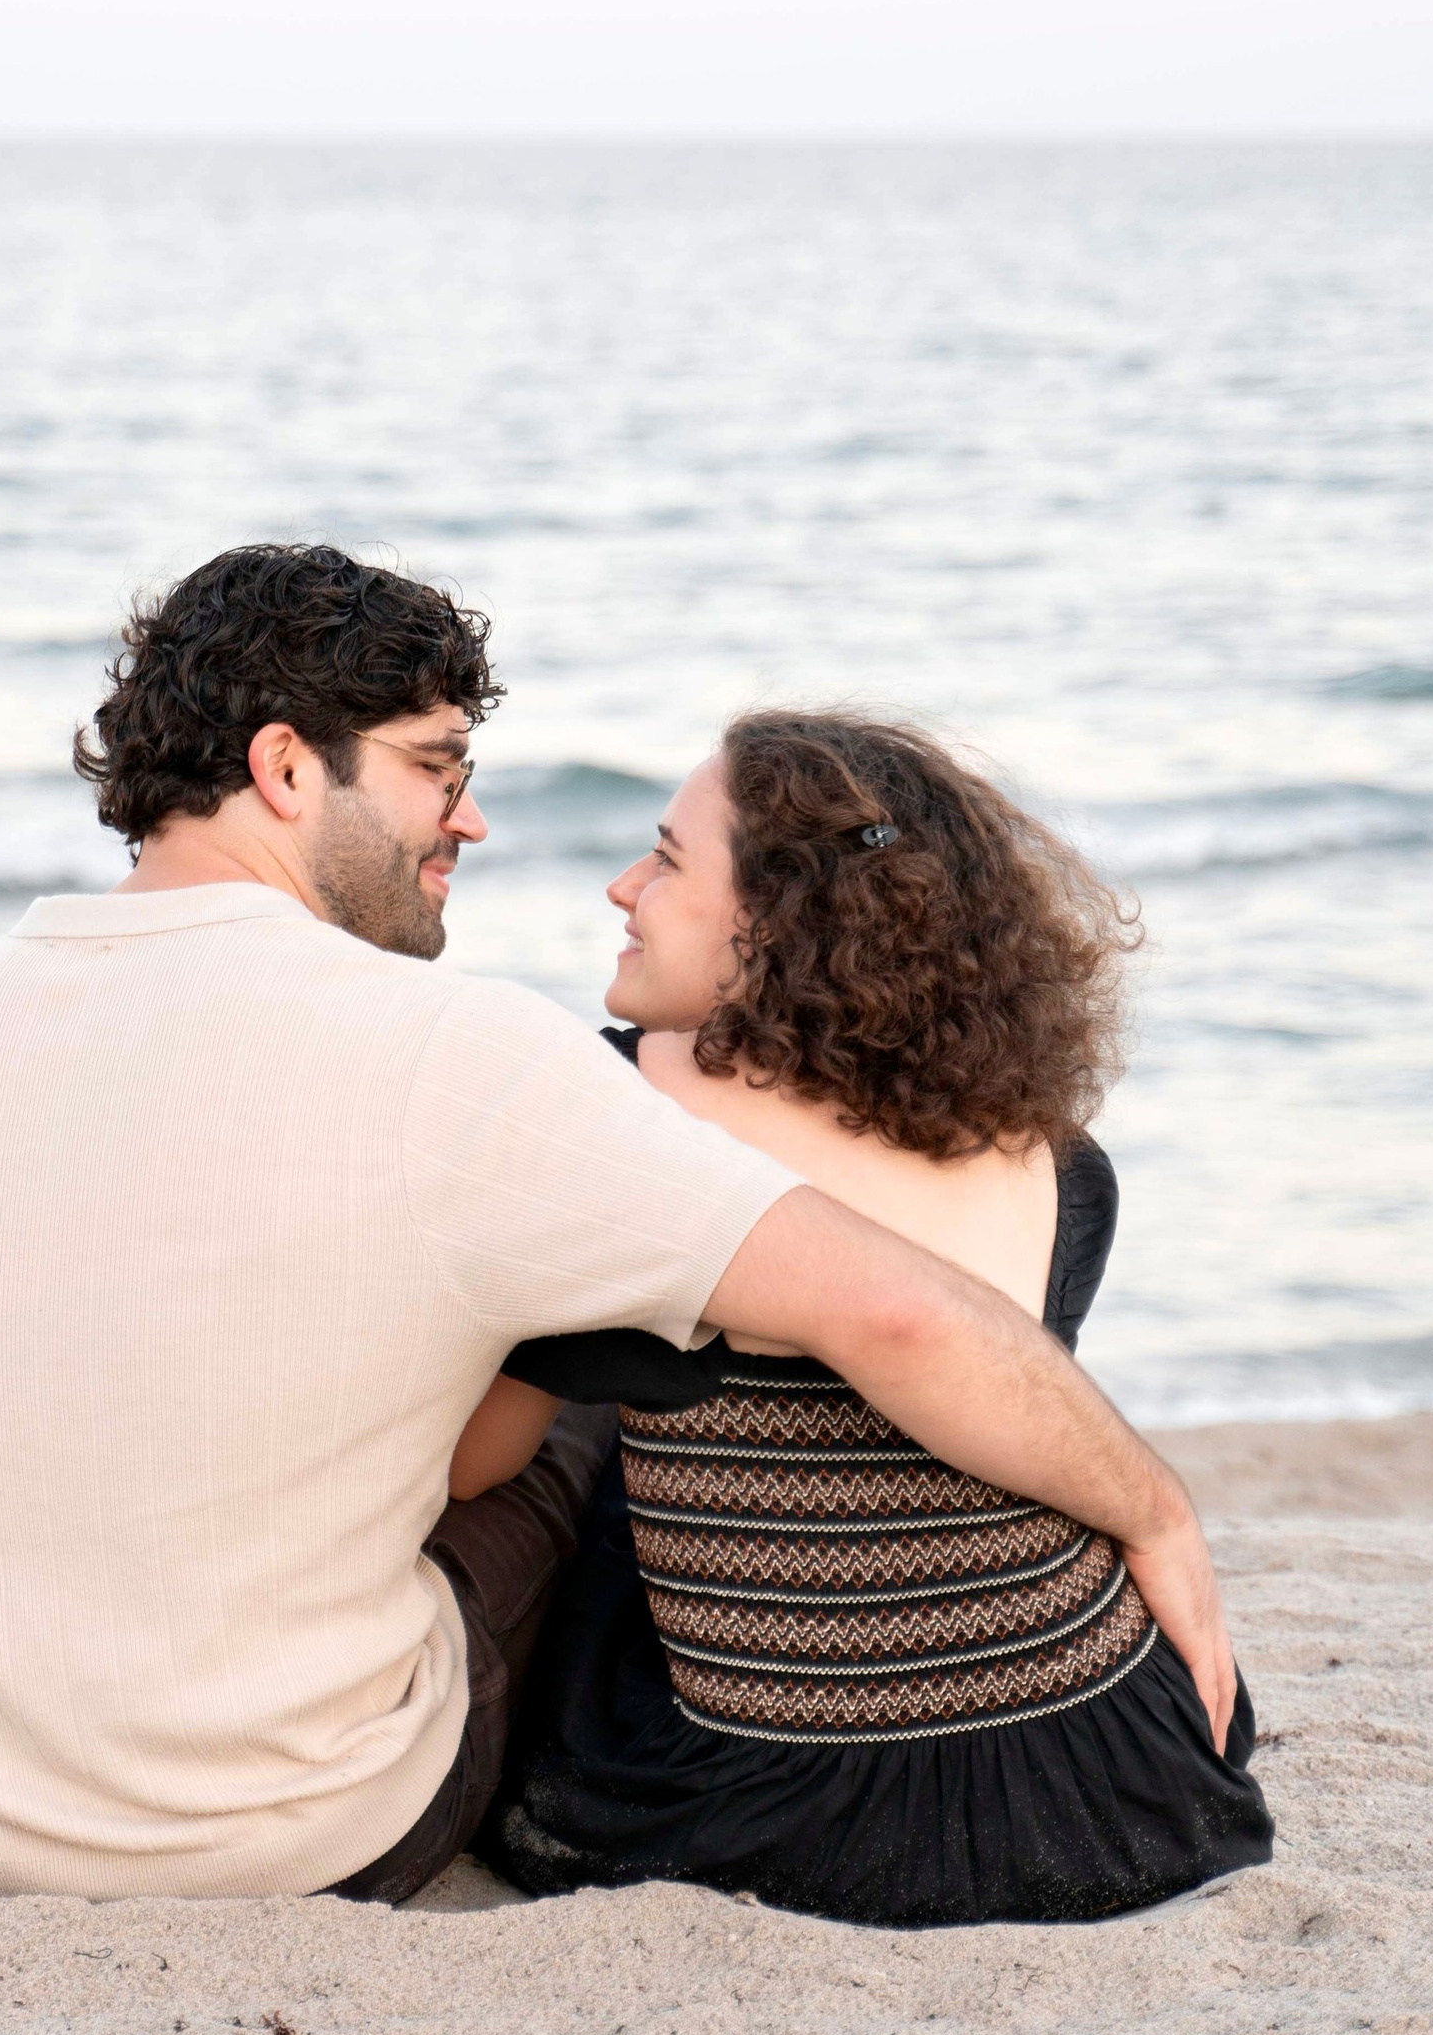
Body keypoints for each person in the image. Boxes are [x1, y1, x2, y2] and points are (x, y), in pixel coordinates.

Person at [0, 545, 1243, 1904]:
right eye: (433, 768)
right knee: (568, 1422)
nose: (469, 814)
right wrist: (1157, 1511)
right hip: (324, 1835)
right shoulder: (456, 1052)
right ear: (285, 767)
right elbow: (902, 1307)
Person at [472, 712, 1273, 1924]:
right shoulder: (1062, 1163)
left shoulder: (621, 1114)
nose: (622, 885)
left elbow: (476, 1457)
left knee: (573, 1435)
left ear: (775, 919)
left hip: (766, 1798)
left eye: (668, 860)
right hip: (1108, 1768)